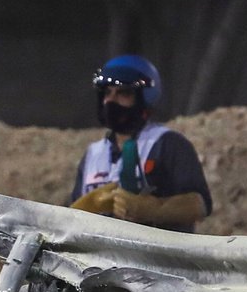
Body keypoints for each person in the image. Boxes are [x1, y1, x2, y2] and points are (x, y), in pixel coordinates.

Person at [70, 54, 211, 232]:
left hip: (156, 256)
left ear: (144, 97)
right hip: (100, 257)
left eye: (123, 93)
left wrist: (155, 209)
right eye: (107, 92)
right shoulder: (93, 154)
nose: (111, 101)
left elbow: (200, 204)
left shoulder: (167, 144)